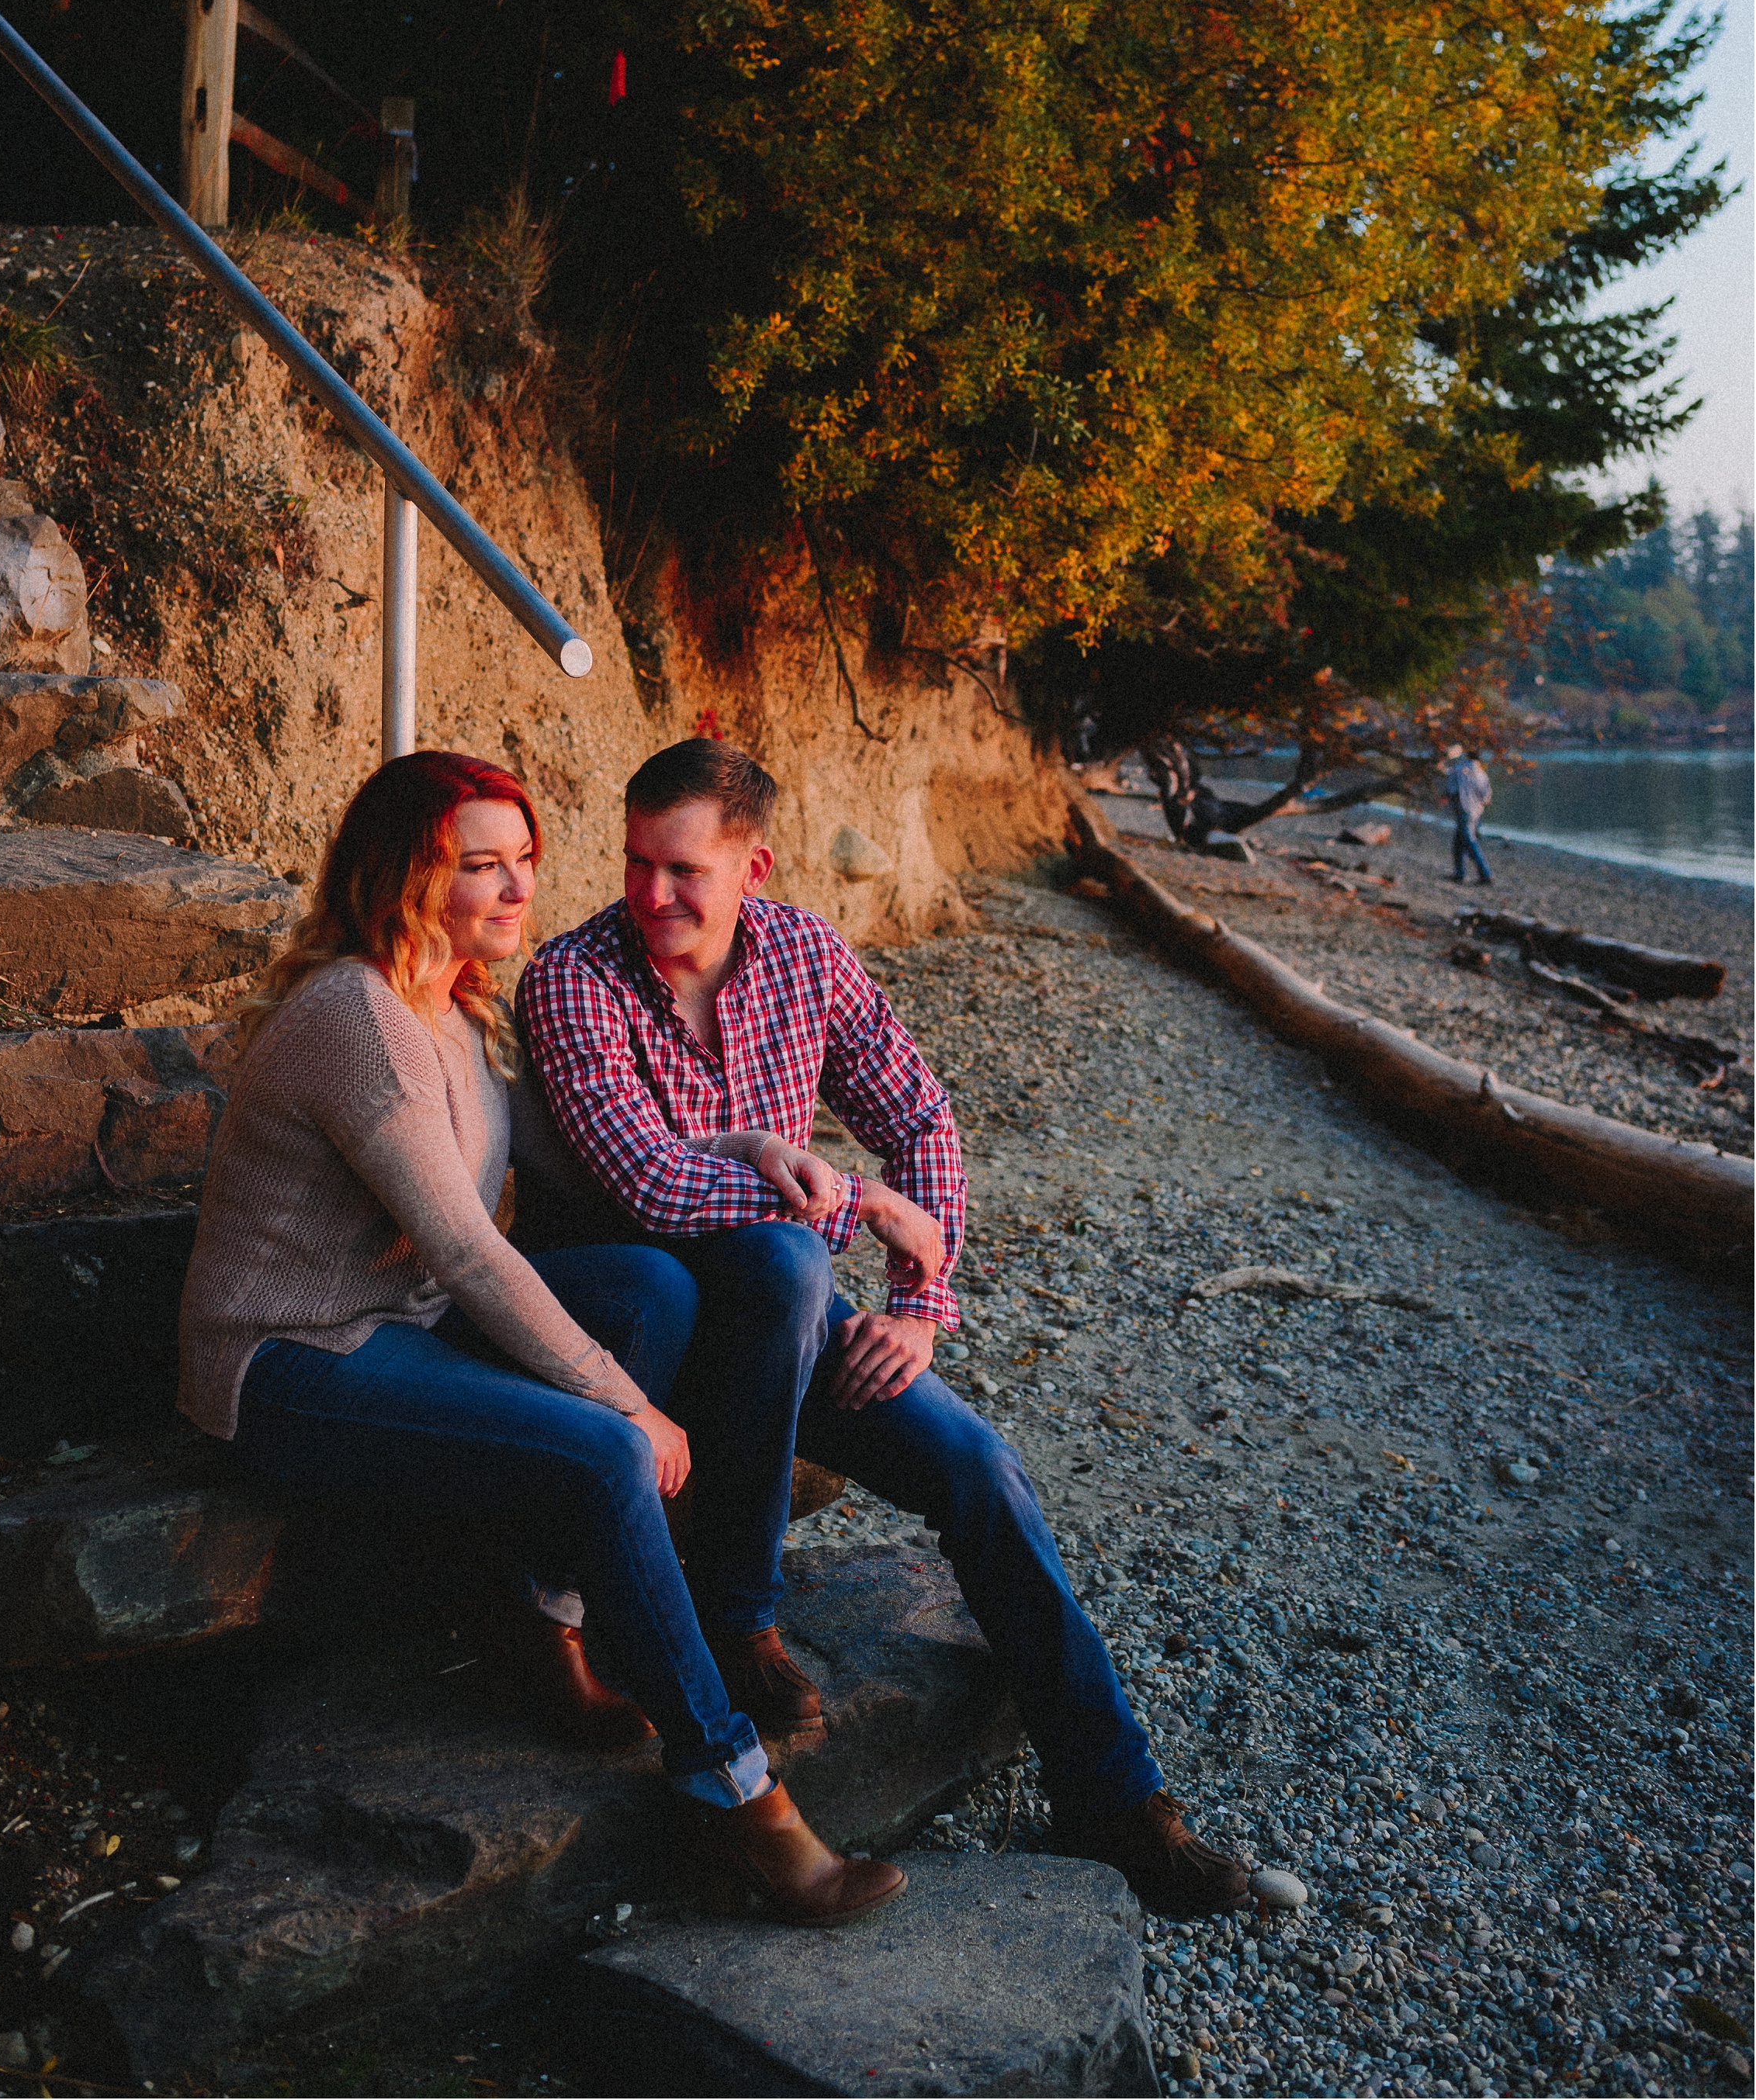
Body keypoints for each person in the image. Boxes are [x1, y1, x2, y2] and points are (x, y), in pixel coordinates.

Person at [518, 738, 1280, 1918]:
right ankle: (739, 1620)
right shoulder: (574, 980)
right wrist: (861, 1205)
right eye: (633, 864)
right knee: (777, 1251)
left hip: (794, 1326)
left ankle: (1118, 1803)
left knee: (981, 1470)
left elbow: (921, 1116)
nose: (650, 895)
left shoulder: (807, 956)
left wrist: (921, 1308)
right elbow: (650, 1187)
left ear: (753, 867)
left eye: (682, 871)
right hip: (644, 1335)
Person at [176, 749, 904, 1931]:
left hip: (395, 1324)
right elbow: (469, 1254)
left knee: (651, 1288)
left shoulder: (454, 1001)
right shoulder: (359, 1018)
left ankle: (542, 1608)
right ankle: (739, 1802)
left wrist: (748, 1154)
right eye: (481, 867)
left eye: (525, 862)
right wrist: (626, 1405)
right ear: (406, 879)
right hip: (289, 1361)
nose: (521, 891)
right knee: (606, 1452)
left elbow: (575, 1165)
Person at [1443, 746, 1494, 885]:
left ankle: (1485, 874)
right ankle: (1459, 873)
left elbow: (1452, 791)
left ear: (1466, 756)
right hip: (1476, 812)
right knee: (1458, 843)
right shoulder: (1481, 774)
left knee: (1469, 843)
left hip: (1463, 811)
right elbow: (1486, 797)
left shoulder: (1459, 771)